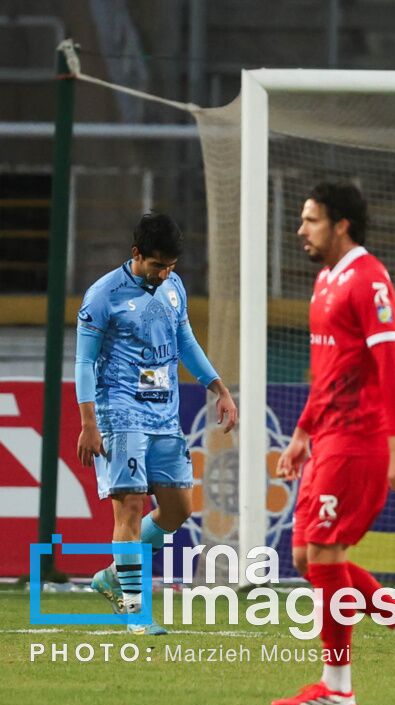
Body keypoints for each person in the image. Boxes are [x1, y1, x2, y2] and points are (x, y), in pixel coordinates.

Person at [273, 182, 395, 705]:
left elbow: (390, 365)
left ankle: (338, 687)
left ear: (341, 225)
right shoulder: (326, 280)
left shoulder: (369, 280)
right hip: (327, 435)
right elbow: (329, 372)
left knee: (326, 551)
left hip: (362, 436)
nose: (301, 229)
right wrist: (302, 433)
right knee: (307, 556)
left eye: (311, 220)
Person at [76, 213, 239, 636]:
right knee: (129, 508)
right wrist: (88, 422)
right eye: (156, 265)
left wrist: (218, 387)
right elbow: (83, 362)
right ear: (136, 255)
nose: (164, 273)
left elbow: (185, 341)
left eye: (170, 266)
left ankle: (113, 575)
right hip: (120, 410)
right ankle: (135, 611)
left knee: (178, 508)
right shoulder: (102, 296)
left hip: (163, 411)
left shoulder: (173, 287)